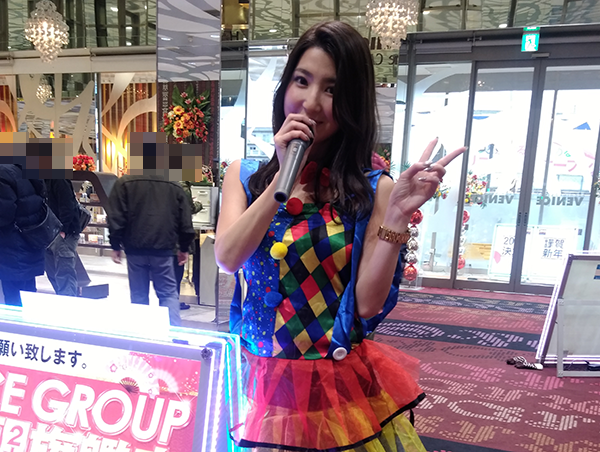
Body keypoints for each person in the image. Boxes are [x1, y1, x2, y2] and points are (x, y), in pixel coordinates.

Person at [215, 21, 465, 452]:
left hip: (330, 385)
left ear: (352, 101)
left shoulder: (374, 188)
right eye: (302, 80)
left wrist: (398, 216)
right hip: (256, 380)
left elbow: (367, 304)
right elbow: (228, 257)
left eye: (331, 89)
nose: (311, 102)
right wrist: (282, 177)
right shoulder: (244, 175)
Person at [108, 174, 195, 326]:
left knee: (138, 295)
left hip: (134, 249)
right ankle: (173, 333)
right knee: (168, 294)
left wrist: (115, 245)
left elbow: (116, 217)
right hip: (164, 249)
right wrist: (183, 247)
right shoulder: (174, 185)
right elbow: (185, 221)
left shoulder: (124, 183)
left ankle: (142, 333)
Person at [0, 164, 47, 306]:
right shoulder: (23, 170)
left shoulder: (2, 174)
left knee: (14, 300)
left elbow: (4, 214)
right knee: (28, 295)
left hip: (11, 249)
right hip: (30, 242)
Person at [44, 179, 82, 297]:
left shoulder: (59, 179)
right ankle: (62, 299)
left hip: (63, 233)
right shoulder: (45, 179)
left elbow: (67, 206)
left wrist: (63, 229)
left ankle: (68, 303)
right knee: (53, 272)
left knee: (64, 273)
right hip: (50, 232)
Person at [175, 180, 203, 310]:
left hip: (164, 233)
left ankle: (170, 302)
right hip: (177, 235)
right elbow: (188, 209)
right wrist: (199, 204)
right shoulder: (183, 186)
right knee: (177, 271)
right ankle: (173, 302)